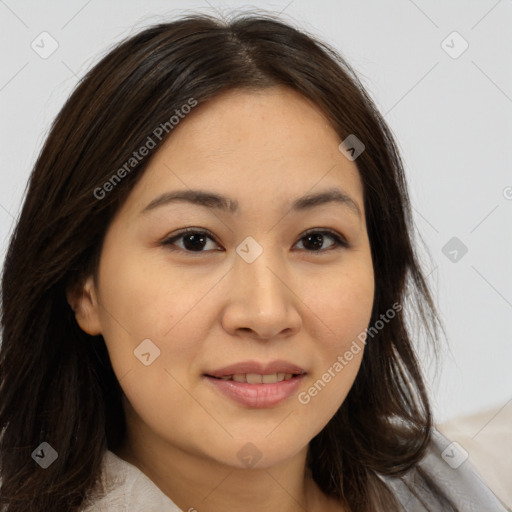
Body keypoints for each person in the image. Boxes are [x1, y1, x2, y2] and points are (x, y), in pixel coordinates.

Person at [0, 11, 508, 512]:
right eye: (195, 241)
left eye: (315, 240)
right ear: (83, 287)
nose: (266, 314)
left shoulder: (464, 481)